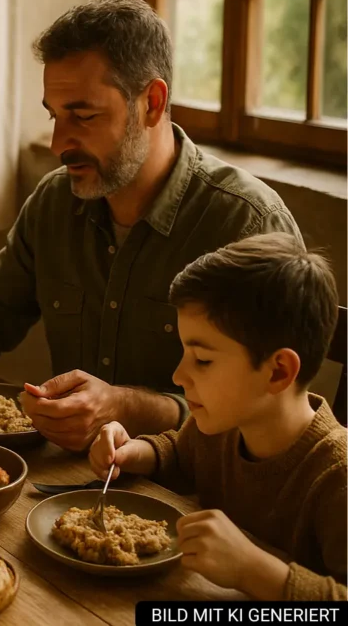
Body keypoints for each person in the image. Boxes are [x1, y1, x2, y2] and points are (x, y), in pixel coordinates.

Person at [0, 0, 300, 451]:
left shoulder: (246, 222)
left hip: (199, 498)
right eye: (54, 115)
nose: (59, 143)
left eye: (83, 115)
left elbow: (277, 413)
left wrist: (127, 407)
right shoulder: (56, 201)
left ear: (152, 104)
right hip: (72, 481)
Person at [89, 233, 345, 600]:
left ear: (277, 372)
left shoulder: (338, 476)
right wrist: (134, 453)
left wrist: (250, 569)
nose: (178, 376)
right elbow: (181, 454)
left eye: (203, 360)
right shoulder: (219, 428)